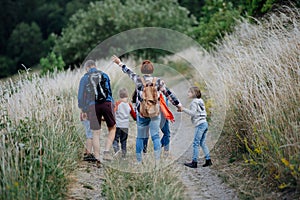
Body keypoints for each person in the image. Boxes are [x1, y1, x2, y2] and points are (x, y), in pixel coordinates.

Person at [112, 55, 182, 164]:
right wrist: (178, 105)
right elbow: (168, 94)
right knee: (155, 136)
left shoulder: (138, 80)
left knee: (140, 137)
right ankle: (157, 161)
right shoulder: (158, 81)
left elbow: (128, 72)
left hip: (142, 113)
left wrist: (119, 63)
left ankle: (139, 161)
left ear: (141, 70)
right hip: (155, 113)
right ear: (152, 70)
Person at [78, 60, 116, 168]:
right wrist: (111, 106)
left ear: (86, 68)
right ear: (95, 66)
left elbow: (80, 97)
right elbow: (109, 92)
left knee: (96, 133)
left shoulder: (85, 78)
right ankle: (107, 151)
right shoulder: (104, 75)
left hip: (92, 106)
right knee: (112, 128)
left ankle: (98, 158)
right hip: (107, 103)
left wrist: (83, 109)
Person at [178, 86, 212, 168]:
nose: (188, 93)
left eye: (189, 92)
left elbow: (193, 113)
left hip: (200, 124)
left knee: (196, 143)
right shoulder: (200, 101)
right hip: (205, 123)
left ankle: (194, 162)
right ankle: (208, 160)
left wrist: (183, 109)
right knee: (202, 143)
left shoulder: (194, 102)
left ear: (194, 94)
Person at [113, 88, 137, 158]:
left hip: (118, 125)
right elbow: (134, 115)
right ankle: (123, 156)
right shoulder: (129, 105)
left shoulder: (117, 103)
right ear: (127, 96)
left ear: (120, 96)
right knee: (124, 141)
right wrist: (136, 119)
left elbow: (113, 112)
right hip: (125, 126)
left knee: (115, 139)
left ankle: (117, 151)